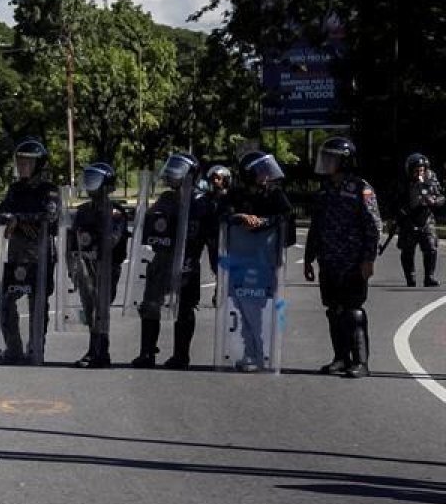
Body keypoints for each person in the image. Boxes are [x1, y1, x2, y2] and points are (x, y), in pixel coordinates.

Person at [305, 137, 383, 378]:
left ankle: (361, 362)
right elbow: (316, 226)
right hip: (329, 261)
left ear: (345, 161)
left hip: (353, 261)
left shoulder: (362, 188)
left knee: (353, 311)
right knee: (334, 310)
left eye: (332, 158)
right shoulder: (325, 190)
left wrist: (368, 259)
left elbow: (374, 226)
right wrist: (309, 257)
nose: (326, 163)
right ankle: (340, 358)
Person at [131, 153, 216, 370]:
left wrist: (218, 270)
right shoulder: (167, 198)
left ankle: (181, 355)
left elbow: (212, 239)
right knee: (150, 304)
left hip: (188, 261)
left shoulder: (202, 202)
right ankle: (147, 352)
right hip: (161, 259)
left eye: (177, 169)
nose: (171, 174)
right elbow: (150, 223)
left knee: (185, 308)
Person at [0, 138, 61, 365]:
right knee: (3, 301)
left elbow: (50, 217)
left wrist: (18, 218)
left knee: (37, 303)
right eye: (19, 162)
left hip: (40, 256)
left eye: (27, 163)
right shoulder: (15, 189)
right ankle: (14, 349)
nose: (22, 166)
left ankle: (35, 349)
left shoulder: (49, 191)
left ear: (38, 165)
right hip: (15, 256)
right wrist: (11, 218)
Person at [223, 151, 292, 372]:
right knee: (243, 306)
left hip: (265, 259)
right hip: (240, 258)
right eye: (260, 171)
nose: (265, 176)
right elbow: (222, 215)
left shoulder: (274, 194)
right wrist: (240, 217)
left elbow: (286, 218)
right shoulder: (235, 194)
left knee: (259, 307)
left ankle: (260, 352)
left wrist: (264, 222)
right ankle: (249, 352)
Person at [70, 163, 128, 369]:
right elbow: (73, 238)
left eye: (94, 180)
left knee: (100, 308)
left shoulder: (115, 212)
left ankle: (101, 351)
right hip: (85, 264)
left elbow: (112, 239)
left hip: (107, 267)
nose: (89, 185)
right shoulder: (83, 211)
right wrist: (73, 262)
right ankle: (94, 349)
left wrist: (95, 235)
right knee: (89, 308)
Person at [392, 153, 443, 287]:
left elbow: (440, 196)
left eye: (422, 170)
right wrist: (401, 213)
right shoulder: (403, 182)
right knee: (407, 249)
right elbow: (395, 201)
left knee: (431, 247)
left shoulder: (431, 178)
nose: (419, 173)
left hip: (426, 216)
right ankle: (410, 277)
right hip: (409, 218)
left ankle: (429, 277)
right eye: (416, 170)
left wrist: (434, 201)